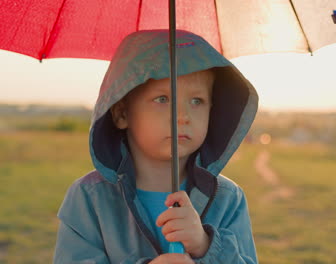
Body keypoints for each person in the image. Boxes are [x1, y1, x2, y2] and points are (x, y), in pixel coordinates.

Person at [53, 30, 258, 264]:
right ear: (121, 113)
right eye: (162, 99)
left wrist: (204, 246)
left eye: (197, 101)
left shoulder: (227, 198)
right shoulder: (89, 198)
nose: (183, 116)